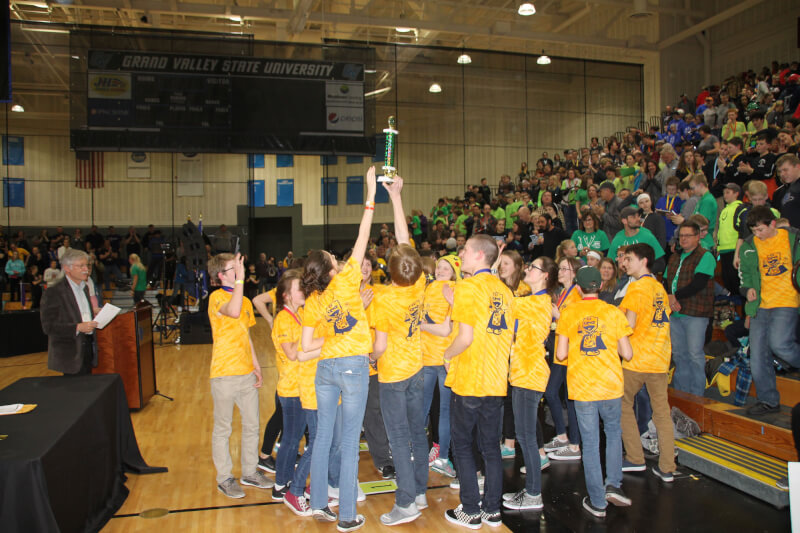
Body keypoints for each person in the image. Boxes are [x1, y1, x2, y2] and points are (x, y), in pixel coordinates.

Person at [300, 166, 377, 532]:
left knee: (323, 436)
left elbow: (312, 341)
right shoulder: (346, 280)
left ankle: (318, 504)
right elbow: (364, 233)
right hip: (352, 367)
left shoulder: (313, 300)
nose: (338, 257)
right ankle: (346, 515)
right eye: (333, 256)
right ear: (332, 268)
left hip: (325, 369)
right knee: (348, 441)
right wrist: (370, 193)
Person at [443, 234, 514, 529]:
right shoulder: (506, 292)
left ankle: (470, 509)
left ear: (478, 256)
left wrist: (447, 355)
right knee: (491, 447)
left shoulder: (469, 287)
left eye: (465, 250)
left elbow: (465, 337)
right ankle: (492, 510)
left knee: (462, 444)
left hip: (471, 377)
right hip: (496, 379)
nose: (461, 254)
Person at [371, 176, 429, 525]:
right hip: (417, 369)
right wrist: (396, 198)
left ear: (387, 270)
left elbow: (378, 346)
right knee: (417, 434)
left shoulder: (381, 298)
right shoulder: (419, 283)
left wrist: (368, 359)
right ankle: (420, 492)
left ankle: (406, 502)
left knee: (400, 438)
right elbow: (407, 242)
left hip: (392, 375)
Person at [555, 266, 633, 518]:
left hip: (583, 385)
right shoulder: (613, 312)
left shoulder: (569, 312)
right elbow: (628, 353)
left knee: (590, 443)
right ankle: (614, 485)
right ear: (600, 286)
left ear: (578, 287)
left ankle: (598, 502)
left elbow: (561, 354)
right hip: (611, 385)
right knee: (612, 434)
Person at [206, 251, 273, 498]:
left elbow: (245, 335)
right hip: (224, 374)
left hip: (245, 373)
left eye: (239, 268)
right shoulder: (216, 298)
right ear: (220, 275)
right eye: (233, 269)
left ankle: (250, 472)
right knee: (223, 428)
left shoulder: (245, 301)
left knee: (252, 425)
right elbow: (232, 312)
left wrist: (256, 365)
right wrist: (239, 281)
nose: (239, 272)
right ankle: (224, 478)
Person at [502, 256, 559, 511]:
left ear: (545, 275)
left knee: (526, 437)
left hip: (530, 373)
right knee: (525, 436)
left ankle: (534, 494)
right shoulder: (533, 300)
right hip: (522, 373)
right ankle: (531, 490)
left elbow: (506, 303)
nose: (528, 269)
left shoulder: (539, 302)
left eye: (533, 267)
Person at [618, 244, 676, 482]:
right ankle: (667, 466)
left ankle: (634, 457)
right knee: (661, 412)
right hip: (660, 358)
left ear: (643, 261)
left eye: (629, 259)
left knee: (622, 403)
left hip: (637, 358)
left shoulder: (637, 288)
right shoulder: (659, 288)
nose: (624, 263)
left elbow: (629, 326)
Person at [738, 206, 800, 415]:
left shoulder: (793, 238)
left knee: (780, 344)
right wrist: (747, 290)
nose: (758, 235)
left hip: (787, 301)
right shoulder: (749, 245)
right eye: (754, 231)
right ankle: (769, 401)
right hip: (761, 305)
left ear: (773, 224)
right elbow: (745, 274)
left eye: (761, 230)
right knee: (757, 355)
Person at [270, 270, 309, 502]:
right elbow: (292, 353)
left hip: (304, 387)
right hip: (291, 390)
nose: (303, 291)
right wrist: (309, 331)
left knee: (296, 438)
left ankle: (286, 480)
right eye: (299, 288)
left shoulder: (302, 313)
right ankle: (279, 484)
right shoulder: (283, 319)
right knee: (291, 439)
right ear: (286, 295)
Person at [420, 255, 461, 479]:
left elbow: (446, 330)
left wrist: (421, 326)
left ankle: (435, 456)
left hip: (444, 359)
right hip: (429, 359)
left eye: (446, 267)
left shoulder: (453, 289)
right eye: (439, 267)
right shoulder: (429, 288)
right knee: (427, 410)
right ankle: (438, 457)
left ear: (455, 271)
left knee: (434, 410)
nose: (441, 270)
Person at [665, 221, 716, 396]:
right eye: (681, 236)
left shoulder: (705, 256)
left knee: (695, 355)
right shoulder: (675, 257)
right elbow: (666, 281)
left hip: (696, 313)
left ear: (698, 237)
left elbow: (698, 283)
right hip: (675, 311)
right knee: (679, 355)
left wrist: (675, 296)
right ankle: (682, 394)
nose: (683, 239)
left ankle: (696, 395)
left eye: (688, 236)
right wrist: (670, 299)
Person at [544, 256, 584, 462]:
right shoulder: (563, 293)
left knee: (570, 398)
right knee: (551, 393)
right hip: (560, 348)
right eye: (559, 269)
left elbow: (577, 324)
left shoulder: (577, 295)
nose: (560, 272)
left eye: (565, 269)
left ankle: (575, 445)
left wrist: (557, 315)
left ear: (575, 273)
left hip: (570, 352)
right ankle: (562, 435)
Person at [39, 249, 99, 375]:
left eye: (86, 265)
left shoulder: (85, 288)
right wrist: (77, 327)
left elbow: (78, 313)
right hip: (69, 354)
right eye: (81, 266)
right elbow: (48, 326)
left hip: (87, 347)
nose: (86, 269)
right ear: (67, 268)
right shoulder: (54, 292)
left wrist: (94, 313)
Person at [608, 206, 666, 273]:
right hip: (623, 280)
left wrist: (641, 272)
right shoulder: (618, 239)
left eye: (638, 216)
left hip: (643, 279)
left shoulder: (647, 236)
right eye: (633, 217)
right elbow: (610, 264)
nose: (638, 219)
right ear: (624, 221)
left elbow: (660, 264)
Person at [716, 183, 745, 295]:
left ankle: (739, 305)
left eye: (728, 192)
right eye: (724, 193)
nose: (725, 195)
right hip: (724, 250)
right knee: (726, 279)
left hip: (733, 248)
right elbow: (721, 231)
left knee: (735, 280)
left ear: (736, 194)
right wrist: (718, 246)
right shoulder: (725, 210)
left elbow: (740, 229)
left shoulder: (740, 208)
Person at [774, 154, 800, 228]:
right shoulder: (783, 190)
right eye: (780, 171)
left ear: (797, 167)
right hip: (789, 234)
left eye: (785, 170)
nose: (782, 174)